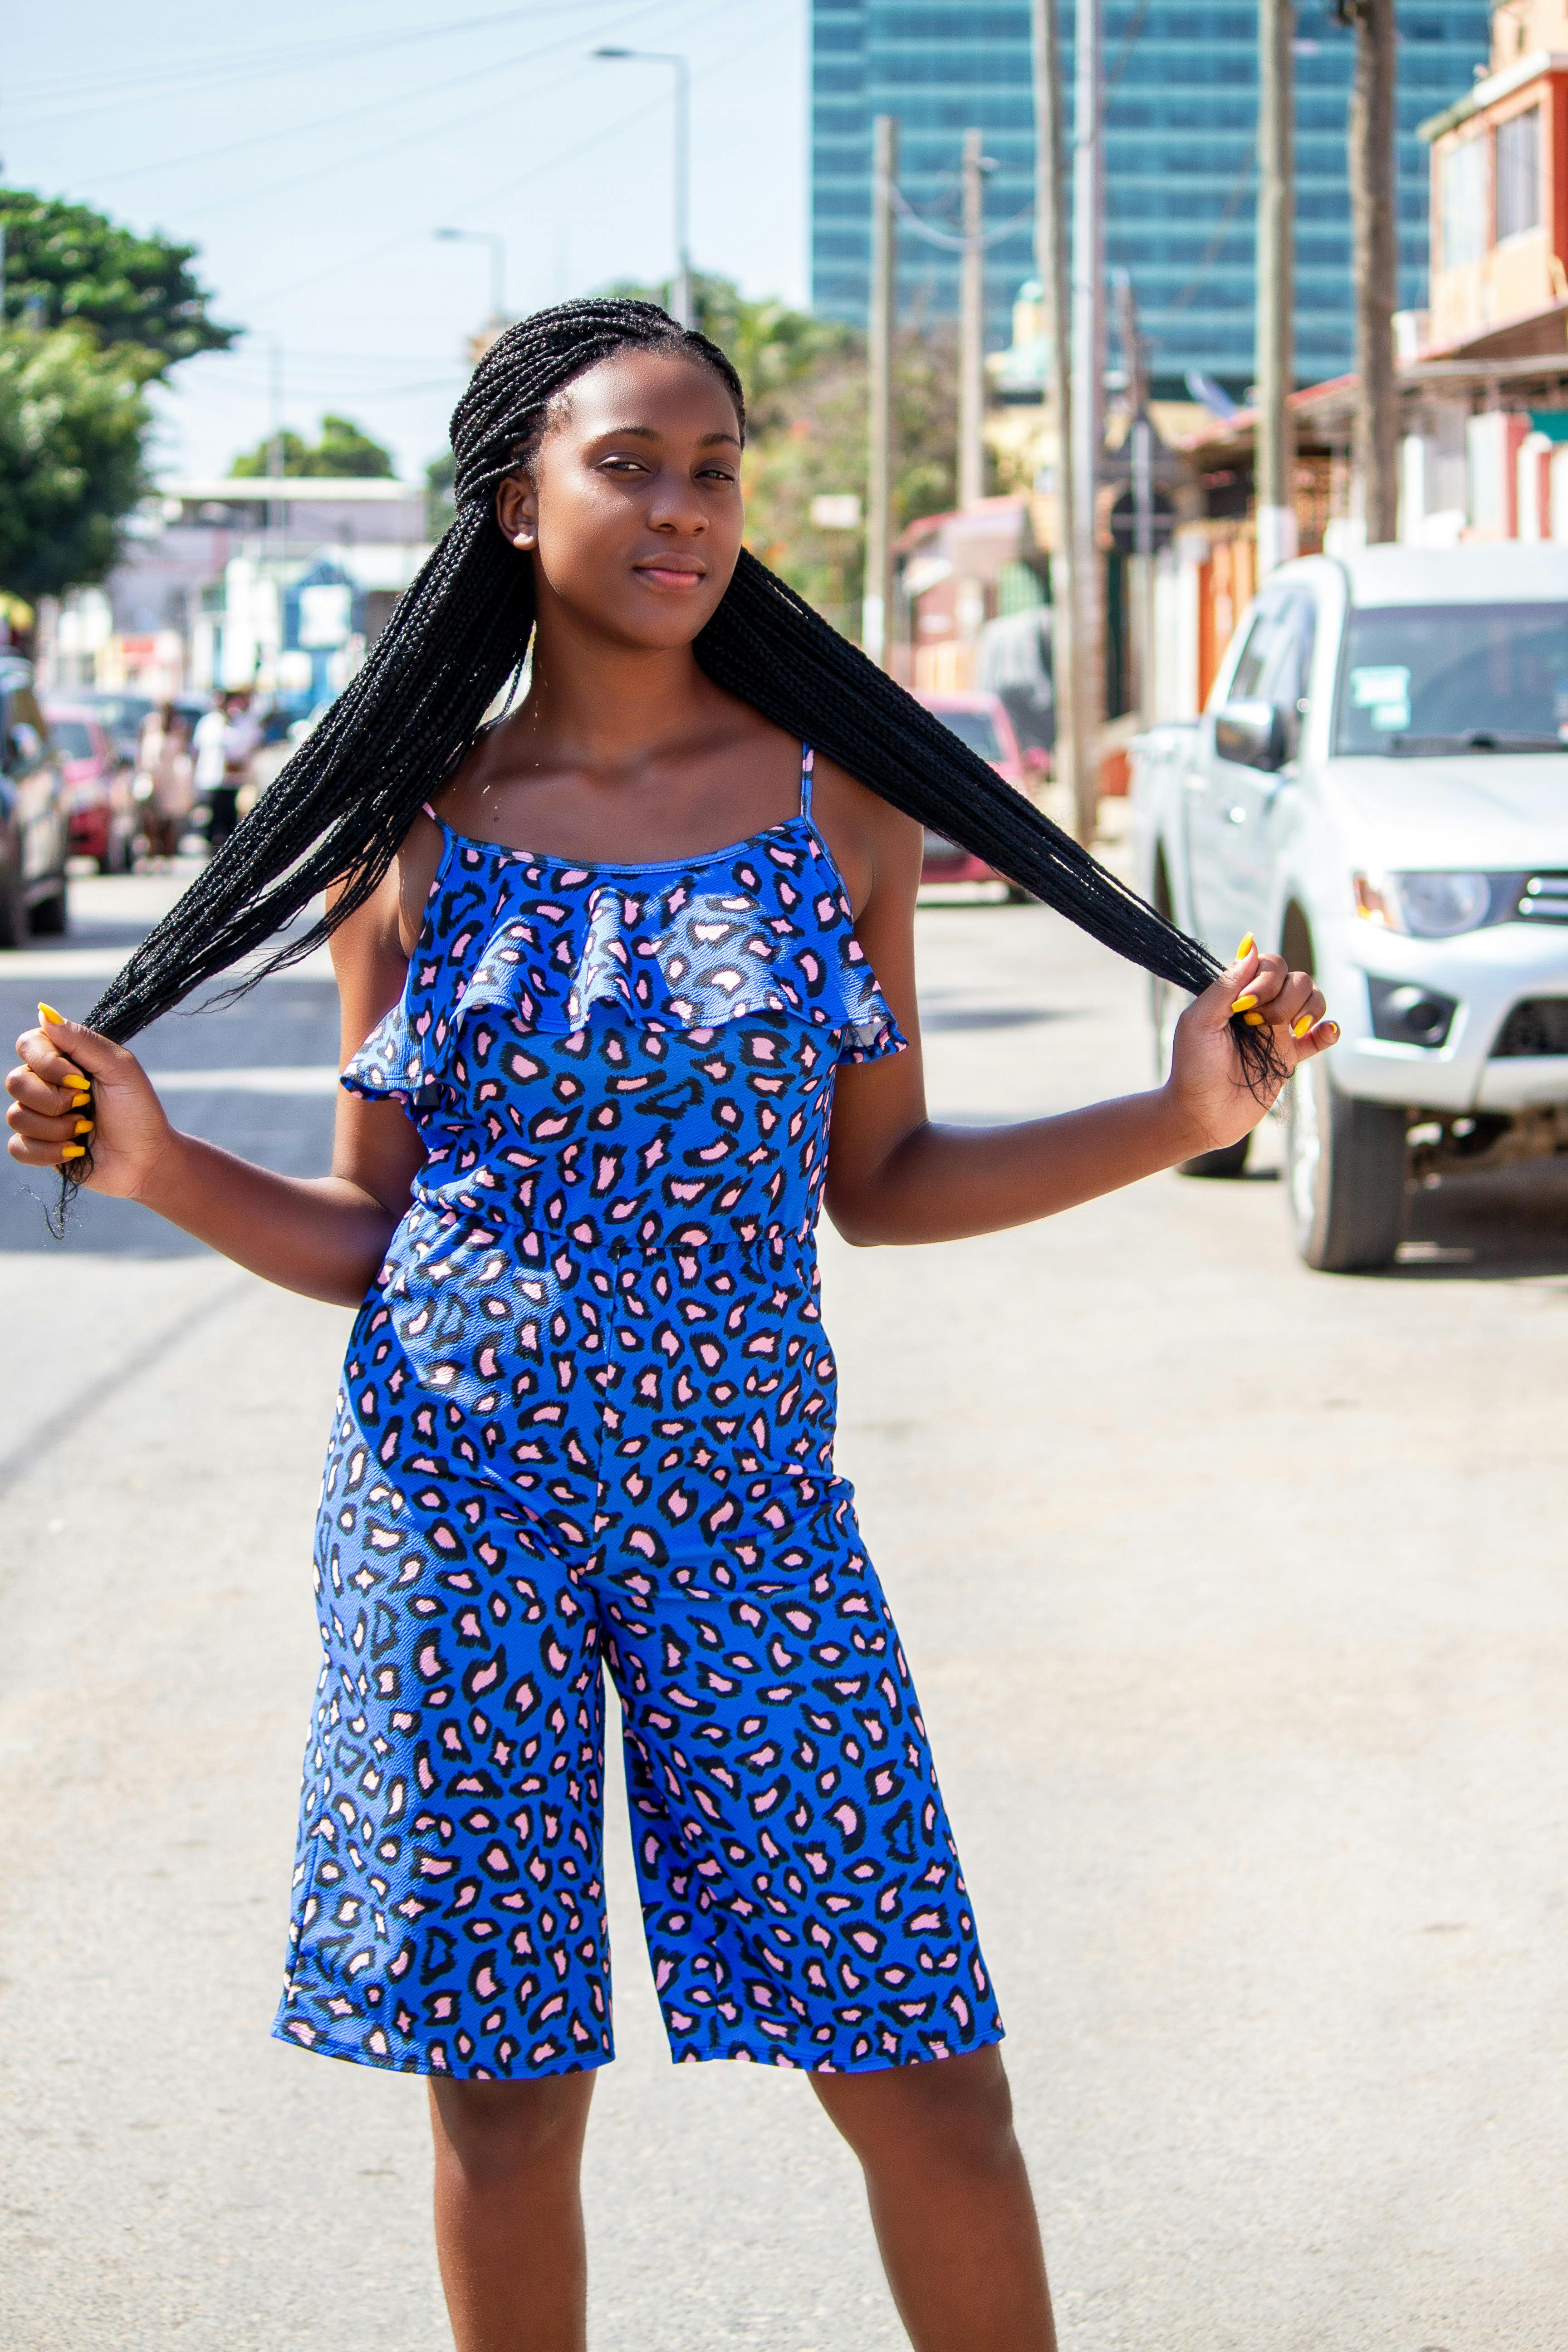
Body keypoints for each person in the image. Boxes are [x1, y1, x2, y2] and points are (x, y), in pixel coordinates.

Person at [6, 301, 1334, 2352]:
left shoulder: (841, 810)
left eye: (712, 466)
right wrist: (163, 1168)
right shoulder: (413, 835)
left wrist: (1179, 1112)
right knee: (508, 2102)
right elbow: (379, 1229)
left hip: (746, 1513)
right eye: (629, 460)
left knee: (926, 2077)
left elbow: (879, 1188)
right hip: (451, 1508)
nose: (683, 504)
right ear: (513, 498)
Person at [133, 701, 193, 866]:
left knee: (168, 819)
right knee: (149, 817)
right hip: (152, 780)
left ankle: (166, 855)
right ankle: (151, 852)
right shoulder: (150, 727)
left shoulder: (178, 729)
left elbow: (183, 754)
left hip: (170, 782)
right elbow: (143, 753)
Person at [189, 691, 232, 850]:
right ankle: (212, 845)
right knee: (212, 814)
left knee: (227, 815)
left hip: (228, 779)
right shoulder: (207, 722)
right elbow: (197, 749)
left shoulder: (230, 721)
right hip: (209, 777)